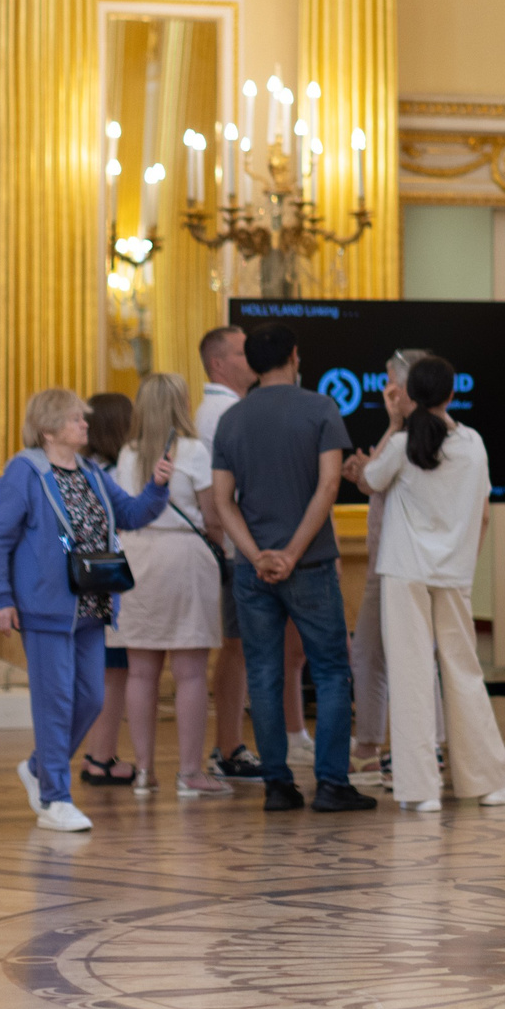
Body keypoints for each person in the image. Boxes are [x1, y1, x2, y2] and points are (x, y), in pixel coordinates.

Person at [0, 387, 172, 832]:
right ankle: (54, 798)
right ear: (48, 430)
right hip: (46, 604)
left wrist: (157, 487)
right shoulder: (25, 471)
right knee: (56, 701)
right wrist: (0, 598)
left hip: (93, 601)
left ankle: (38, 768)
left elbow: (130, 512)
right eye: (74, 419)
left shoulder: (90, 471)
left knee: (91, 697)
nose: (85, 425)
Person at [208, 322, 377, 813]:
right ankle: (331, 782)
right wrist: (293, 552)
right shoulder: (321, 408)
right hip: (312, 564)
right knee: (329, 669)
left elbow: (223, 501)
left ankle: (277, 785)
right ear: (295, 357)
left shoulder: (233, 420)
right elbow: (328, 488)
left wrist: (257, 554)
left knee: (261, 672)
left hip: (252, 570)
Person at [363, 354, 505, 812]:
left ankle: (419, 791)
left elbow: (370, 480)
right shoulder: (472, 444)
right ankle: (488, 782)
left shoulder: (401, 444)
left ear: (409, 395)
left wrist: (395, 422)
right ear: (453, 394)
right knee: (464, 671)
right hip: (453, 573)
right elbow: (484, 513)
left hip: (404, 571)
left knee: (410, 674)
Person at [115, 373, 231, 797]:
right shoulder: (195, 451)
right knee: (190, 672)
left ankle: (144, 770)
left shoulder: (128, 454)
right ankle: (189, 772)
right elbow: (212, 515)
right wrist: (221, 551)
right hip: (184, 558)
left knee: (141, 672)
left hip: (137, 556)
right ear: (181, 404)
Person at [341, 349, 429, 785]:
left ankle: (369, 750)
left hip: (392, 562)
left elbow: (372, 478)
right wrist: (366, 466)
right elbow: (372, 476)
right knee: (401, 654)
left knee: (371, 653)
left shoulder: (405, 437)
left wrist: (364, 466)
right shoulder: (421, 437)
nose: (384, 391)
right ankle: (413, 748)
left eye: (390, 384)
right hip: (405, 561)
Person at [196, 325, 260, 779]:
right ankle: (229, 746)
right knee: (235, 650)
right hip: (238, 551)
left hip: (237, 550)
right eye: (241, 352)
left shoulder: (228, 410)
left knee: (238, 649)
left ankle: (230, 744)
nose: (250, 357)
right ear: (218, 363)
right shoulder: (224, 414)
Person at [79, 392, 141, 788]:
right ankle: (100, 758)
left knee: (104, 671)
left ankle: (98, 753)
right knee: (114, 673)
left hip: (86, 579)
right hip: (111, 578)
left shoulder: (83, 468)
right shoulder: (116, 472)